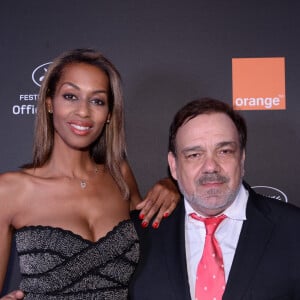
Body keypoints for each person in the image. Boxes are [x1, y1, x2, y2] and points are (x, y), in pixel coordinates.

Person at [0, 48, 180, 299]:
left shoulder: (120, 176)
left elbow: (161, 242)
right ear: (50, 103)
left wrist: (172, 186)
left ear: (108, 114)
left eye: (97, 101)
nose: (83, 112)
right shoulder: (9, 190)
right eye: (71, 96)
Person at [129, 97, 300, 299]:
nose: (211, 166)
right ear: (174, 166)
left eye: (224, 151)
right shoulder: (137, 235)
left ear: (242, 159)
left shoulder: (293, 230)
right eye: (194, 154)